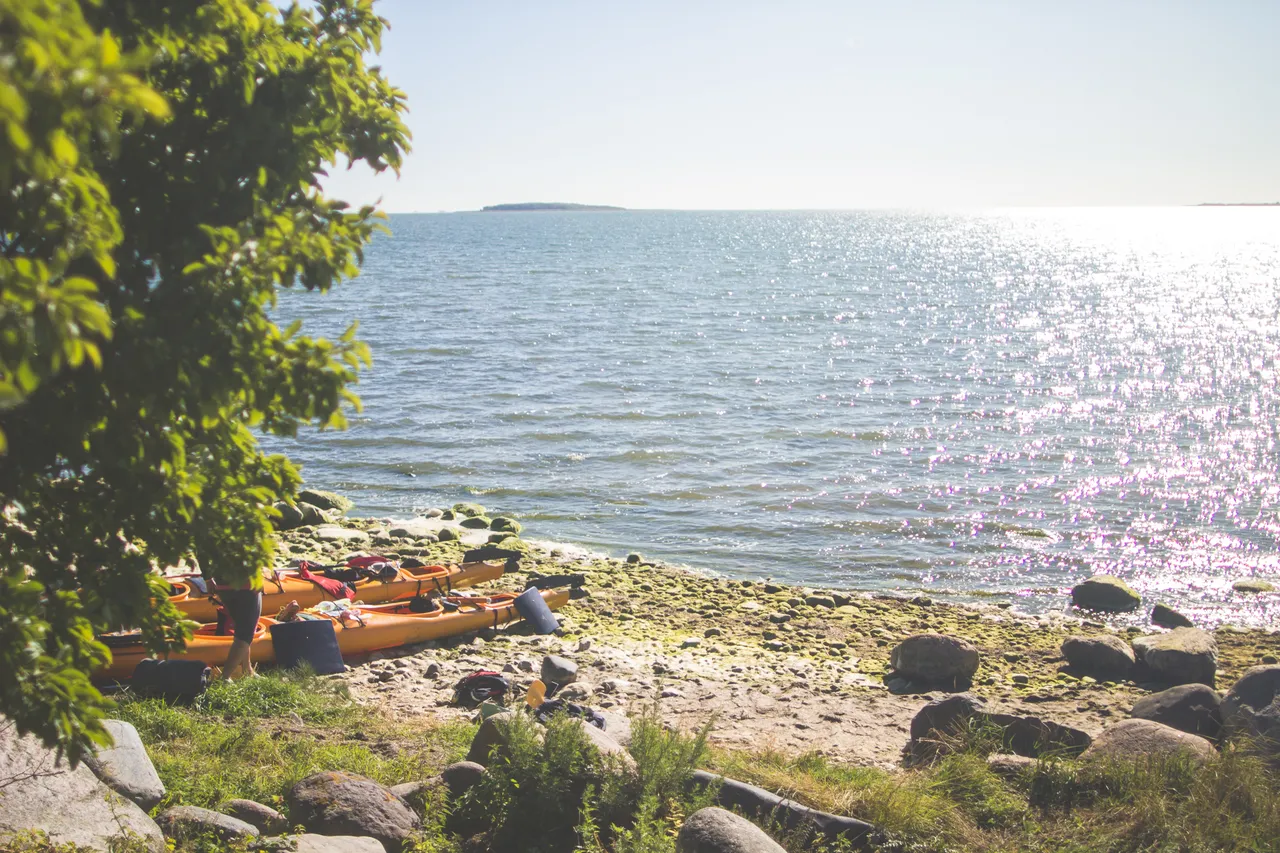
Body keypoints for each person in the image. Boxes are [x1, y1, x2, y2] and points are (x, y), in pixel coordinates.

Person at [206, 566, 263, 679]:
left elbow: (202, 556)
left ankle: (247, 670)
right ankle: (225, 677)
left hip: (223, 584)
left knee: (240, 627)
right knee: (246, 634)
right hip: (246, 583)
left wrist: (207, 579)